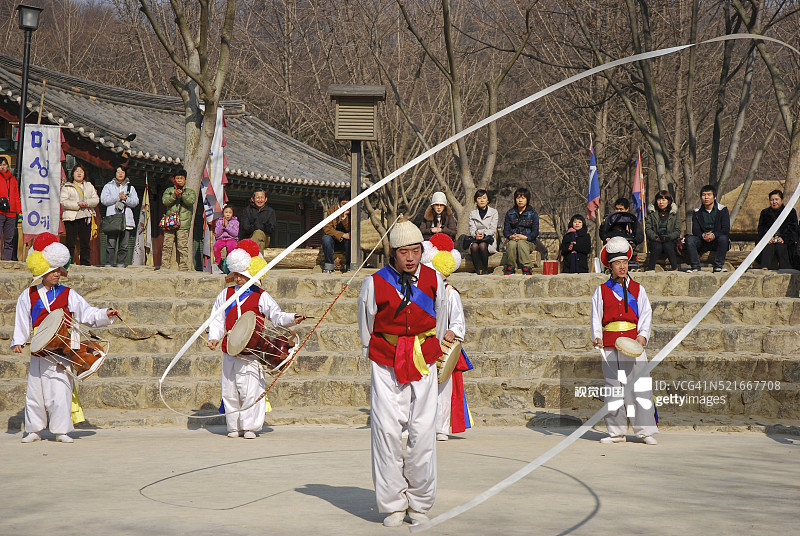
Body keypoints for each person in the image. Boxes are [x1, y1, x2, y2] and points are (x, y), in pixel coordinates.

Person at [357, 219, 447, 527]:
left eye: (415, 251)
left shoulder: (435, 280)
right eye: (403, 252)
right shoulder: (374, 283)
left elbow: (441, 323)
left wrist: (421, 349)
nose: (410, 258)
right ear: (392, 253)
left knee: (423, 433)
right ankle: (393, 504)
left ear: (422, 251)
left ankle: (419, 503)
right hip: (386, 362)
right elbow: (366, 327)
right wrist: (387, 352)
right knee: (387, 433)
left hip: (423, 361)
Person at [12, 233, 117, 443]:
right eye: (54, 271)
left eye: (59, 270)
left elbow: (86, 313)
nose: (58, 274)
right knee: (35, 390)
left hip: (62, 348)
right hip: (39, 349)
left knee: (60, 390)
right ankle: (34, 429)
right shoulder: (29, 294)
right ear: (43, 270)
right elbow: (22, 318)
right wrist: (19, 340)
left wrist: (104, 314)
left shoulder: (69, 294)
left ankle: (61, 430)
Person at [207, 239, 306, 439]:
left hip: (251, 349)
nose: (240, 279)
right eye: (237, 275)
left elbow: (276, 315)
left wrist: (292, 318)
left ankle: (250, 426)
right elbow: (217, 319)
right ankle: (233, 426)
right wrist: (214, 337)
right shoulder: (225, 295)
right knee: (230, 389)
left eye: (243, 276)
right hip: (230, 349)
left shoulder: (261, 295)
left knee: (250, 388)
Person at [590, 236, 658, 445]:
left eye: (625, 262)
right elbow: (595, 316)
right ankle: (616, 432)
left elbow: (645, 314)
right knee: (613, 388)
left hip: (633, 343)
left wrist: (642, 335)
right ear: (610, 266)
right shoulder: (601, 290)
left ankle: (645, 431)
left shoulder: (638, 289)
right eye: (617, 263)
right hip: (610, 343)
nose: (622, 267)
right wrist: (597, 337)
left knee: (639, 386)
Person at [421, 235, 473, 441]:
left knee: (443, 386)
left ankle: (441, 427)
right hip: (421, 344)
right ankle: (417, 425)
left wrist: (454, 331)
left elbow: (458, 321)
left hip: (442, 345)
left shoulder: (451, 294)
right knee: (419, 387)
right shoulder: (420, 291)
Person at [100, 165, 139, 267]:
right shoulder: (108, 186)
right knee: (111, 244)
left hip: (126, 219)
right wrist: (117, 197)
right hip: (113, 219)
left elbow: (135, 202)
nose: (120, 174)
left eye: (122, 172)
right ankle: (109, 263)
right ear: (115, 174)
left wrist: (126, 199)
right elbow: (104, 200)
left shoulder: (131, 187)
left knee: (124, 245)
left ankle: (121, 264)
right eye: (118, 172)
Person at [60, 165, 99, 266]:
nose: (79, 173)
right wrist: (77, 204)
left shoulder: (89, 186)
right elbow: (63, 201)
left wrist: (87, 203)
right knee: (70, 242)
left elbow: (96, 199)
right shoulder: (67, 186)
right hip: (71, 217)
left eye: (81, 171)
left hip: (85, 216)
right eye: (76, 171)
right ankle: (68, 263)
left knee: (85, 243)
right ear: (72, 174)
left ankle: (85, 264)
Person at [687, 184, 730, 273]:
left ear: (714, 197)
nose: (706, 197)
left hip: (717, 240)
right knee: (690, 240)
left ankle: (718, 266)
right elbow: (695, 230)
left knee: (724, 238)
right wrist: (704, 235)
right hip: (702, 241)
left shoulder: (722, 210)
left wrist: (713, 235)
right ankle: (695, 267)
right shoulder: (697, 211)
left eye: (709, 195)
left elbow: (725, 229)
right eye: (704, 195)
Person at [160, 169, 197, 271]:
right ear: (174, 179)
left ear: (185, 180)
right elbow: (165, 202)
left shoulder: (190, 192)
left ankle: (184, 266)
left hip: (183, 223)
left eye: (181, 178)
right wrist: (174, 196)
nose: (179, 180)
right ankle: (164, 266)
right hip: (170, 222)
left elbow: (190, 202)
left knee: (182, 246)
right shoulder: (169, 191)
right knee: (167, 245)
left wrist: (182, 194)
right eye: (177, 178)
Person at [757, 189, 798, 270]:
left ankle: (786, 269)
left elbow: (793, 229)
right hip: (769, 240)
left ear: (782, 200)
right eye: (772, 200)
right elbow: (761, 228)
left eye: (776, 199)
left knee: (781, 247)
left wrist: (783, 238)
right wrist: (768, 238)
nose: (774, 202)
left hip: (784, 240)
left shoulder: (790, 212)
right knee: (768, 247)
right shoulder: (765, 213)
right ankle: (764, 267)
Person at [502, 187, 539, 275]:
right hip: (514, 239)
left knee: (521, 243)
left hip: (529, 241)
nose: (520, 200)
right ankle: (511, 266)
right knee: (511, 244)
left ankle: (527, 266)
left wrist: (525, 237)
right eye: (518, 198)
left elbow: (535, 232)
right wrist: (510, 236)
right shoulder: (510, 213)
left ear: (527, 199)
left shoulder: (533, 213)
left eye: (523, 198)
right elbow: (506, 230)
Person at [645, 190, 681, 271]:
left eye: (664, 200)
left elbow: (677, 230)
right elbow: (648, 228)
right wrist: (656, 237)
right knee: (656, 246)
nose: (661, 202)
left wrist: (668, 237)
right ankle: (651, 268)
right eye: (659, 200)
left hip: (670, 240)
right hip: (655, 239)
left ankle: (675, 268)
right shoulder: (652, 212)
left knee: (668, 246)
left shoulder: (674, 213)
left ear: (668, 201)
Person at [465, 189, 498, 275]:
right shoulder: (473, 213)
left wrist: (484, 234)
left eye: (484, 198)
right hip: (476, 238)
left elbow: (493, 229)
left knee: (483, 246)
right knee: (475, 246)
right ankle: (476, 270)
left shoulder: (494, 212)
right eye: (479, 198)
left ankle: (485, 269)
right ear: (476, 200)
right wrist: (476, 235)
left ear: (488, 200)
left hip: (488, 238)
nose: (482, 200)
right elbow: (472, 228)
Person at [321, 193, 351, 273]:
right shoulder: (332, 210)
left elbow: (349, 228)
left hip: (346, 240)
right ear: (339, 202)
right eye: (343, 204)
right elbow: (327, 228)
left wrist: (345, 217)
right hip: (334, 238)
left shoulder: (352, 211)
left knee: (350, 241)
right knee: (326, 239)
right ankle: (329, 266)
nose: (345, 206)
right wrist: (341, 235)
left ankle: (348, 266)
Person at [0, 156, 21, 260]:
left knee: (9, 239)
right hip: (0, 212)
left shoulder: (13, 179)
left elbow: (16, 196)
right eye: (0, 165)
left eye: (4, 164)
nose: (3, 167)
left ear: (8, 165)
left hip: (11, 212)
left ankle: (7, 261)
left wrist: (19, 211)